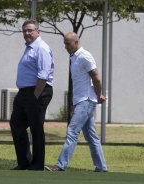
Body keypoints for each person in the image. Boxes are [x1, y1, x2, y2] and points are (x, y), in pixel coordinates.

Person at [45, 32, 107, 172]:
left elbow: (96, 77)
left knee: (72, 131)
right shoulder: (74, 57)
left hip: (86, 100)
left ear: (76, 42)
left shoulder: (84, 56)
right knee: (91, 137)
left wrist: (99, 96)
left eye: (68, 43)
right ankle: (101, 167)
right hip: (81, 101)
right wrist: (76, 103)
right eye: (64, 43)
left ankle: (61, 165)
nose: (65, 46)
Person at [10, 20, 54, 171]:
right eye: (24, 31)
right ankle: (24, 162)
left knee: (36, 127)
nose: (27, 33)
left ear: (38, 31)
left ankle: (37, 164)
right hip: (24, 92)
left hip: (38, 91)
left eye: (30, 30)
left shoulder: (41, 48)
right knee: (16, 124)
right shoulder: (29, 48)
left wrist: (36, 95)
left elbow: (44, 74)